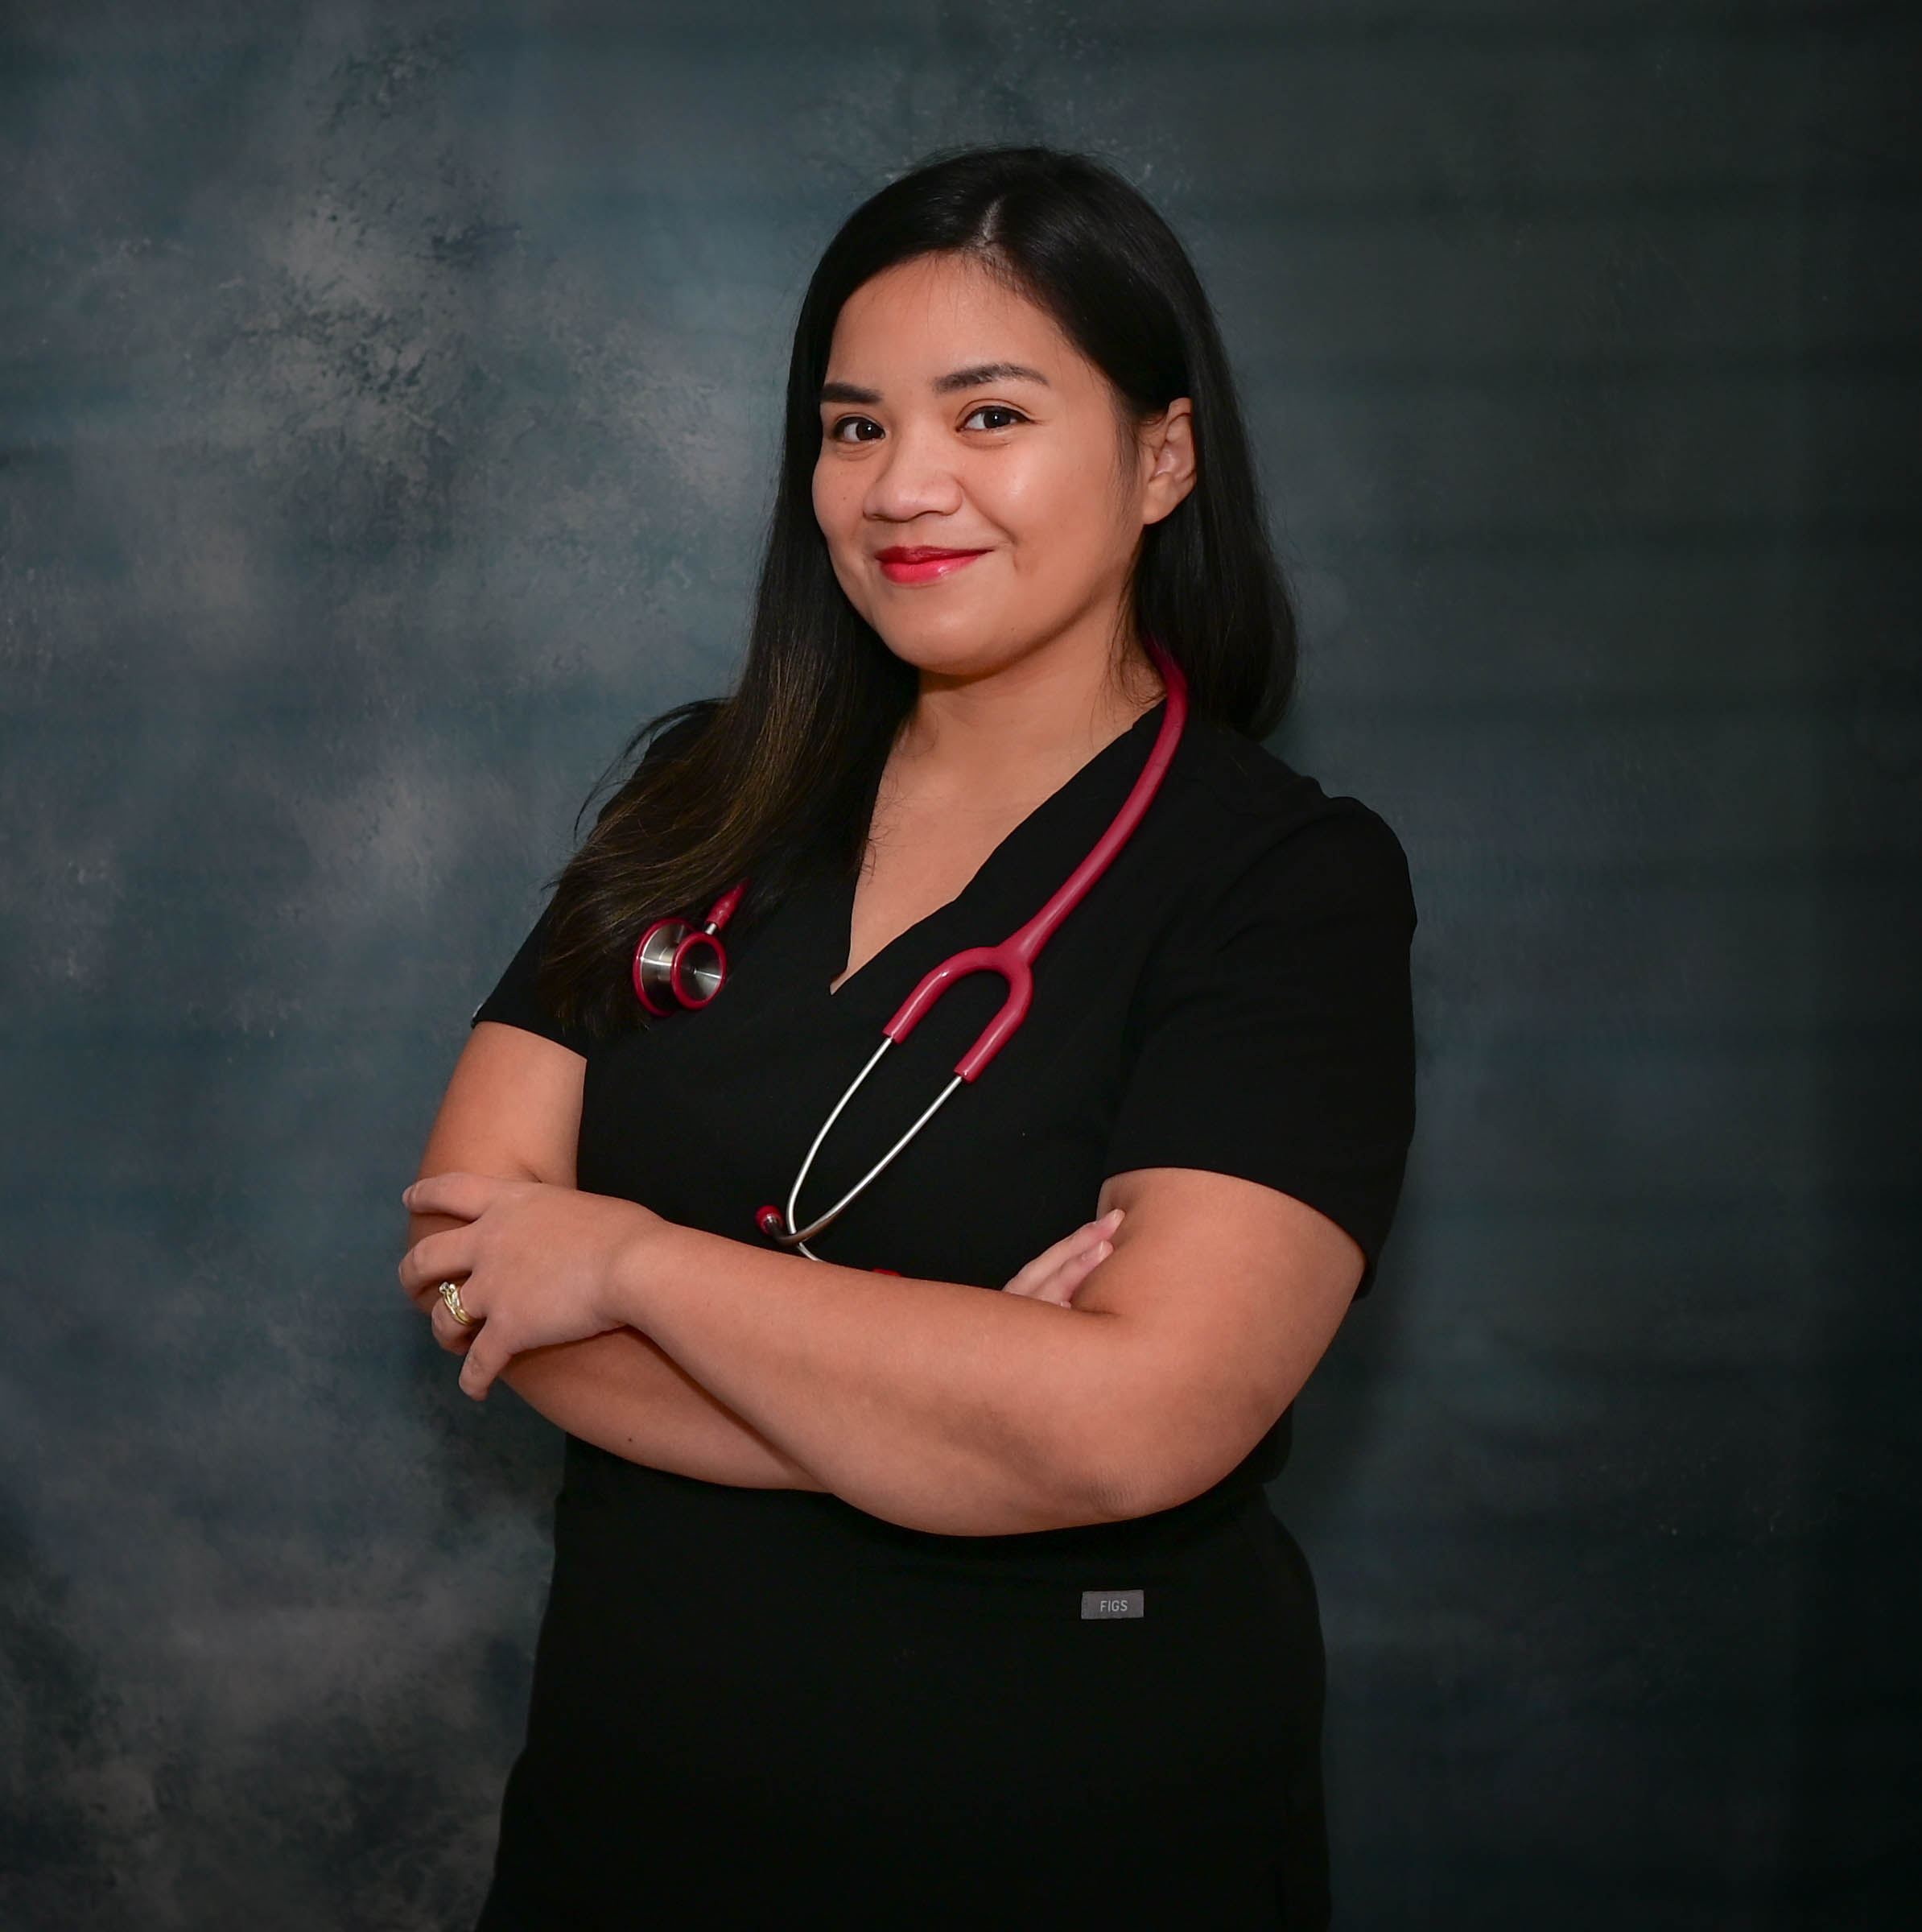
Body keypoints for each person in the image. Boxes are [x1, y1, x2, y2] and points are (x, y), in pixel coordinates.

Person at [400, 146, 1416, 1929]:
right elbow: (473, 1273)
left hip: (1072, 1839)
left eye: (990, 414)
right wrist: (962, 1412)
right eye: (854, 427)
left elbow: (1134, 1428)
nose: (903, 486)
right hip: (635, 1819)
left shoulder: (1281, 883)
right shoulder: (701, 798)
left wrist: (630, 1264)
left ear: (1163, 457)